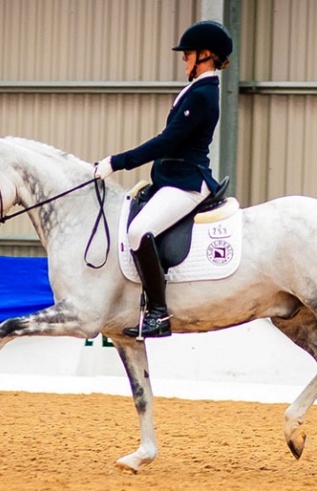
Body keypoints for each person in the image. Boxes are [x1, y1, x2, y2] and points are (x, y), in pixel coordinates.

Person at [94, 20, 233, 339]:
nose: (184, 59)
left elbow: (168, 141)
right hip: (171, 179)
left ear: (206, 55)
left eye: (188, 54)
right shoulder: (197, 89)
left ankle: (158, 314)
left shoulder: (204, 93)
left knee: (139, 231)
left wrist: (117, 162)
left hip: (187, 182)